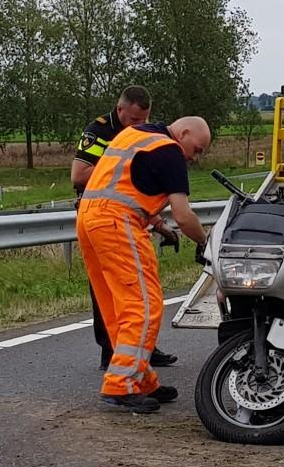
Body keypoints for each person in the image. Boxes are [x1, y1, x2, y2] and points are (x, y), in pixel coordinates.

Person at [76, 116, 211, 413]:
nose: (194, 157)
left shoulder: (134, 134)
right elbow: (184, 215)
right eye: (197, 149)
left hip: (89, 218)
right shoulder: (170, 150)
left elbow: (123, 182)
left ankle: (141, 378)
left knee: (116, 307)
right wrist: (206, 242)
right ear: (184, 133)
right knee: (144, 305)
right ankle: (121, 383)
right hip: (117, 223)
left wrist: (156, 224)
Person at [72, 85, 177, 369]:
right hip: (100, 217)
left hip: (129, 217)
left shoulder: (144, 133)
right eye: (133, 121)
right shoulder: (100, 131)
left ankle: (143, 347)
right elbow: (80, 174)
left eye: (144, 120)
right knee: (107, 289)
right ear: (120, 110)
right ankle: (110, 351)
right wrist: (120, 160)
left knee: (139, 290)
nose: (139, 126)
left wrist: (157, 222)